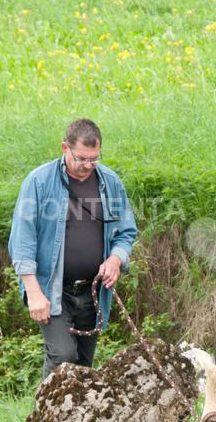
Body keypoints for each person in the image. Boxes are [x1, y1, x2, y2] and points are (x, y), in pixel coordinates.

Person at [8, 118, 137, 379]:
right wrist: (33, 292)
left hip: (93, 291)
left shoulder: (110, 182)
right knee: (63, 358)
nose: (88, 166)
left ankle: (75, 420)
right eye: (81, 158)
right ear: (64, 148)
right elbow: (21, 241)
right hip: (51, 289)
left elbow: (126, 232)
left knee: (84, 366)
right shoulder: (38, 182)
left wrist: (115, 259)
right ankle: (45, 421)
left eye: (94, 159)